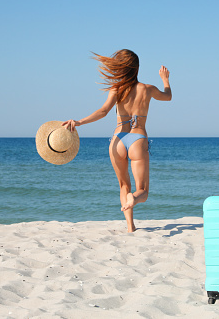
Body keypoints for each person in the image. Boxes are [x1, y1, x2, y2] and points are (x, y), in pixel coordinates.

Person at [62, 49, 172, 233]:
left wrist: (79, 122)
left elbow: (103, 111)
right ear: (137, 68)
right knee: (142, 190)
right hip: (137, 138)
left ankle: (130, 227)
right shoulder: (147, 89)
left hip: (118, 140)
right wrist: (165, 79)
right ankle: (134, 200)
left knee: (123, 185)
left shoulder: (117, 89)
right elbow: (168, 96)